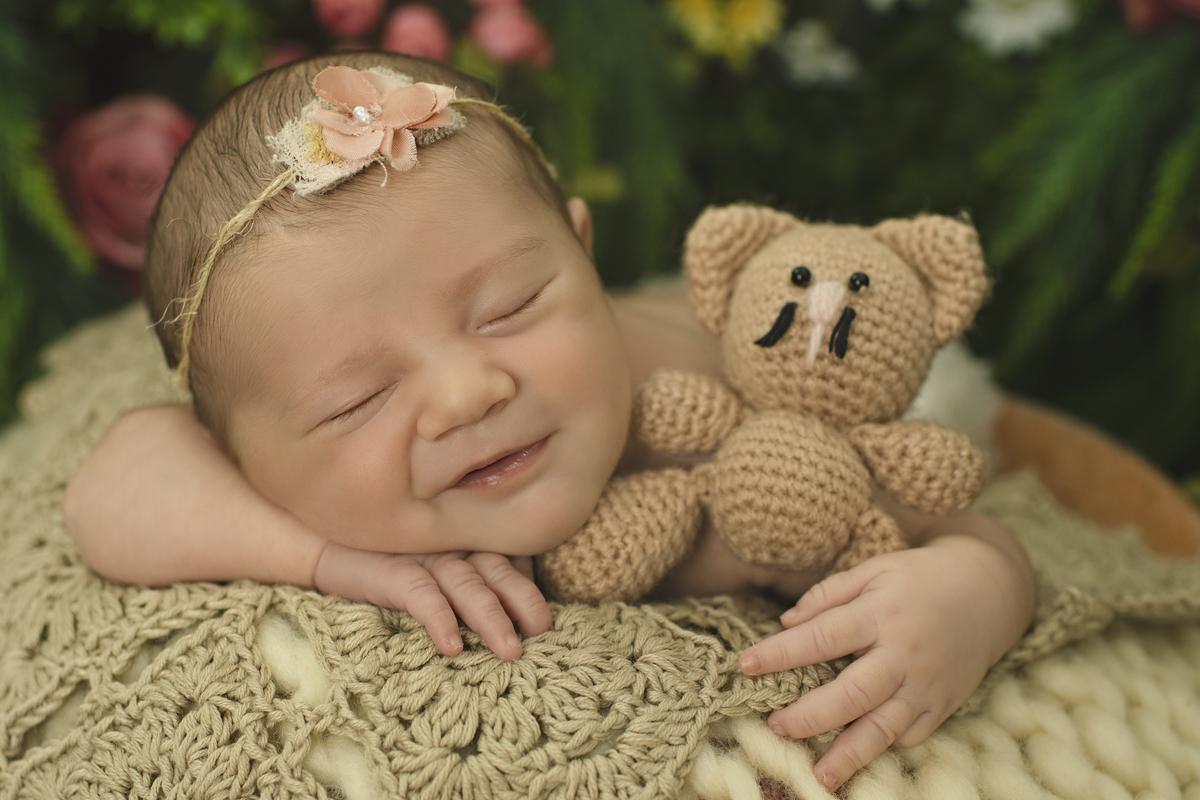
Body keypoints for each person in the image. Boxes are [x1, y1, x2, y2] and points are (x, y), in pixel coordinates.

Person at [62, 52, 1036, 793]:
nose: (468, 393)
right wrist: (335, 560)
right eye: (359, 398)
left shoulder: (706, 427)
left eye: (509, 308)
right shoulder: (254, 468)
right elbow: (109, 492)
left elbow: (967, 533)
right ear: (238, 449)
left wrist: (967, 594)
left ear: (582, 252)